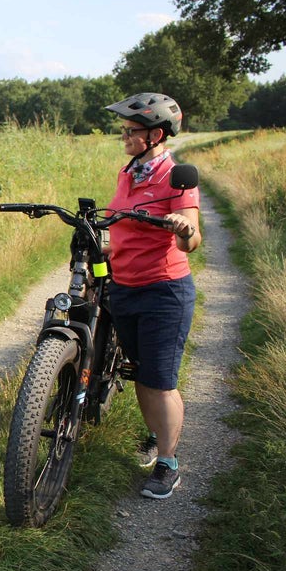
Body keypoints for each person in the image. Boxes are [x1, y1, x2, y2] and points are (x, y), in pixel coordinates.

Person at [104, 92, 201, 499]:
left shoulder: (175, 176)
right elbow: (120, 221)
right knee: (141, 371)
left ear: (155, 135)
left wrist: (183, 227)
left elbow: (191, 239)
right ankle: (157, 435)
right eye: (124, 130)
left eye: (131, 131)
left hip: (163, 291)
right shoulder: (129, 172)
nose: (124, 136)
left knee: (160, 380)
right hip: (124, 287)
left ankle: (168, 463)